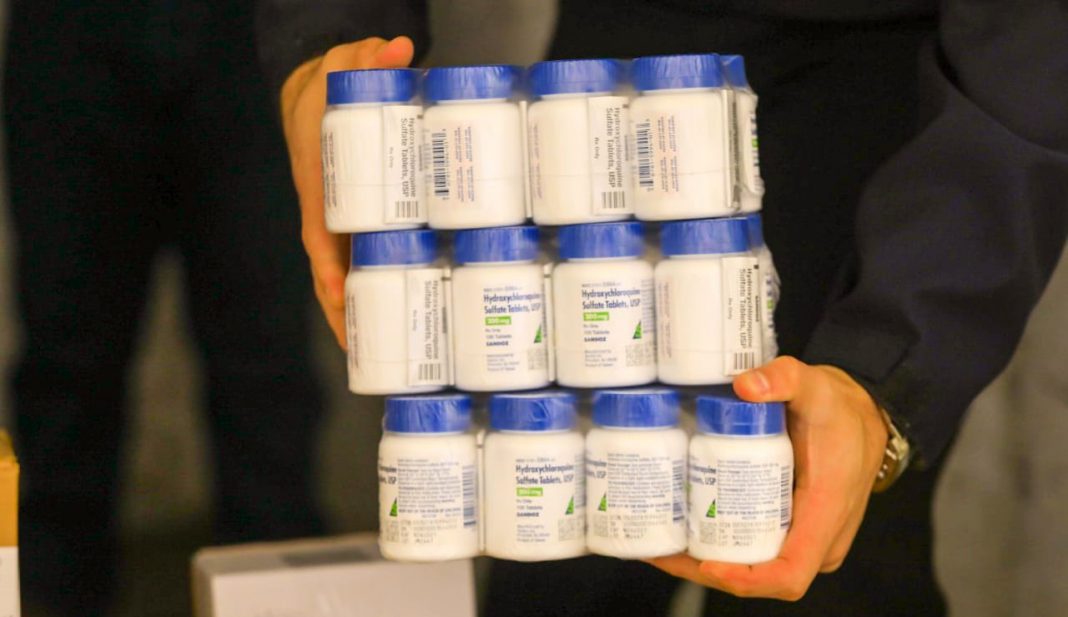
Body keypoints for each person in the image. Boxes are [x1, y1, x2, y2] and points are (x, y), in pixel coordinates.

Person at [262, 0, 1068, 615]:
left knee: (827, 528)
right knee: (560, 540)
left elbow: (1033, 56)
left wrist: (886, 376)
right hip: (631, 53)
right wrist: (328, 39)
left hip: (888, 66)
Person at [3, 2, 326, 615]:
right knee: (66, 359)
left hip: (253, 30)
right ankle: (54, 595)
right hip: (70, 33)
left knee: (266, 363)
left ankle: (278, 598)